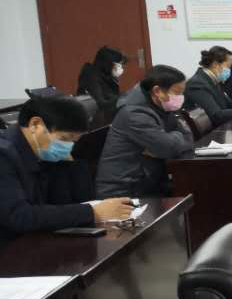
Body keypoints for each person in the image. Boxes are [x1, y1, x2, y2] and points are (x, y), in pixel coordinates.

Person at [0, 96, 132, 246]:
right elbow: (19, 216)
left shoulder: (39, 151)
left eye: (73, 141)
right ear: (35, 125)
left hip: (34, 241)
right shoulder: (4, 155)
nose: (68, 147)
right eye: (64, 139)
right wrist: (93, 212)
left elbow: (65, 202)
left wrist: (69, 165)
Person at [94, 66, 193, 198]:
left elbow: (188, 136)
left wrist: (169, 141)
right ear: (157, 91)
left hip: (148, 182)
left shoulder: (163, 106)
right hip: (124, 192)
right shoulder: (135, 114)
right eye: (177, 93)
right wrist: (171, 140)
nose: (181, 98)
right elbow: (167, 147)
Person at [76, 45, 127, 125]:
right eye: (117, 65)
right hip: (96, 122)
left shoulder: (106, 76)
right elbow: (101, 104)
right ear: (107, 64)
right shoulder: (91, 77)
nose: (120, 68)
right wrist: (125, 96)